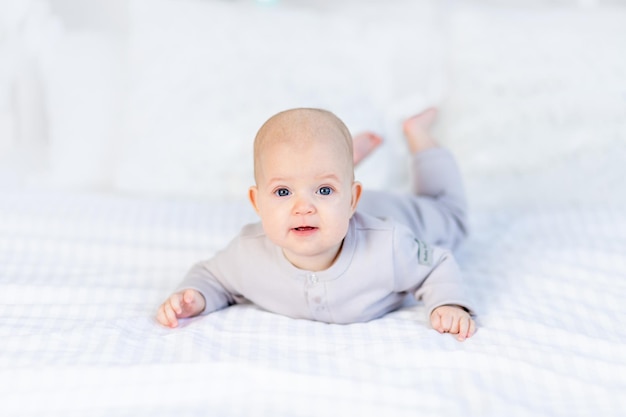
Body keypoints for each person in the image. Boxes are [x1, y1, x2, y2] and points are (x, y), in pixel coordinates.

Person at [156, 107, 476, 341]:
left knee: (450, 214)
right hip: (339, 205)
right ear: (256, 203)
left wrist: (446, 302)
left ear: (354, 200)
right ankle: (337, 164)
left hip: (397, 213)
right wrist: (194, 296)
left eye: (323, 190)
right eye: (282, 191)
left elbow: (437, 264)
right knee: (314, 168)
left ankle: (416, 133)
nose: (303, 208)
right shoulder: (248, 253)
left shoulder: (389, 244)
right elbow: (212, 277)